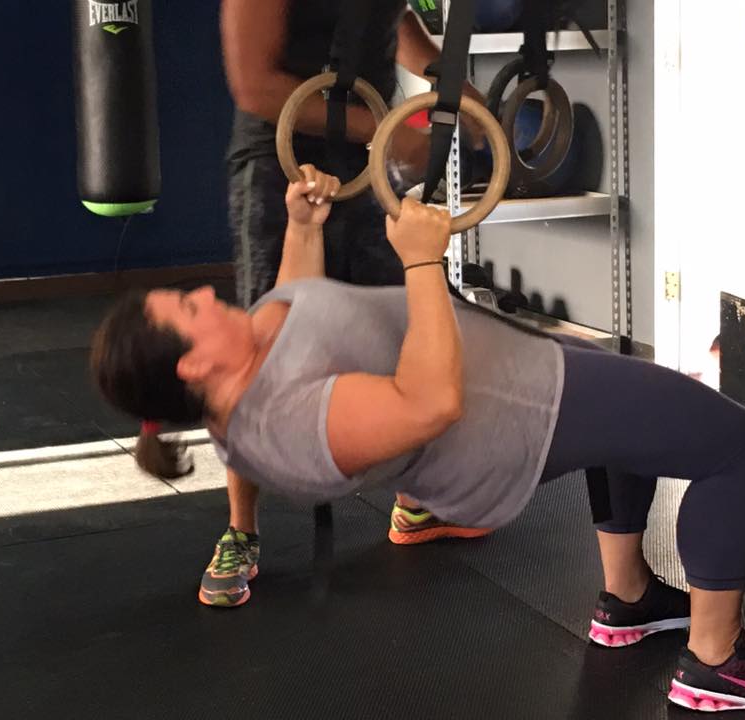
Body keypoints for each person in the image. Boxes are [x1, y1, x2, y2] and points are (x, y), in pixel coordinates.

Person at [92, 170, 745, 714]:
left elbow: (300, 321)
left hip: (517, 383)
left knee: (631, 403)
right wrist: (422, 262)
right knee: (736, 444)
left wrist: (304, 230)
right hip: (510, 417)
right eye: (190, 307)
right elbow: (430, 403)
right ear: (194, 366)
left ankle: (629, 600)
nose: (206, 294)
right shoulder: (279, 428)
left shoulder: (248, 373)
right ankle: (715, 659)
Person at [135, 0, 492, 608]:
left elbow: (393, 16)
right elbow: (255, 86)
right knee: (260, 351)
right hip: (284, 153)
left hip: (369, 149)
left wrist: (450, 82)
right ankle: (241, 529)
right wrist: (387, 133)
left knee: (397, 320)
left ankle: (415, 498)